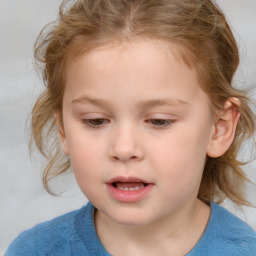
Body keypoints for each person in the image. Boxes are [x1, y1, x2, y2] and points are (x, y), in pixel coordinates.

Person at [5, 0, 256, 255]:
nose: (124, 148)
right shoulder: (33, 250)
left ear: (219, 129)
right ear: (63, 130)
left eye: (159, 121)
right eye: (95, 120)